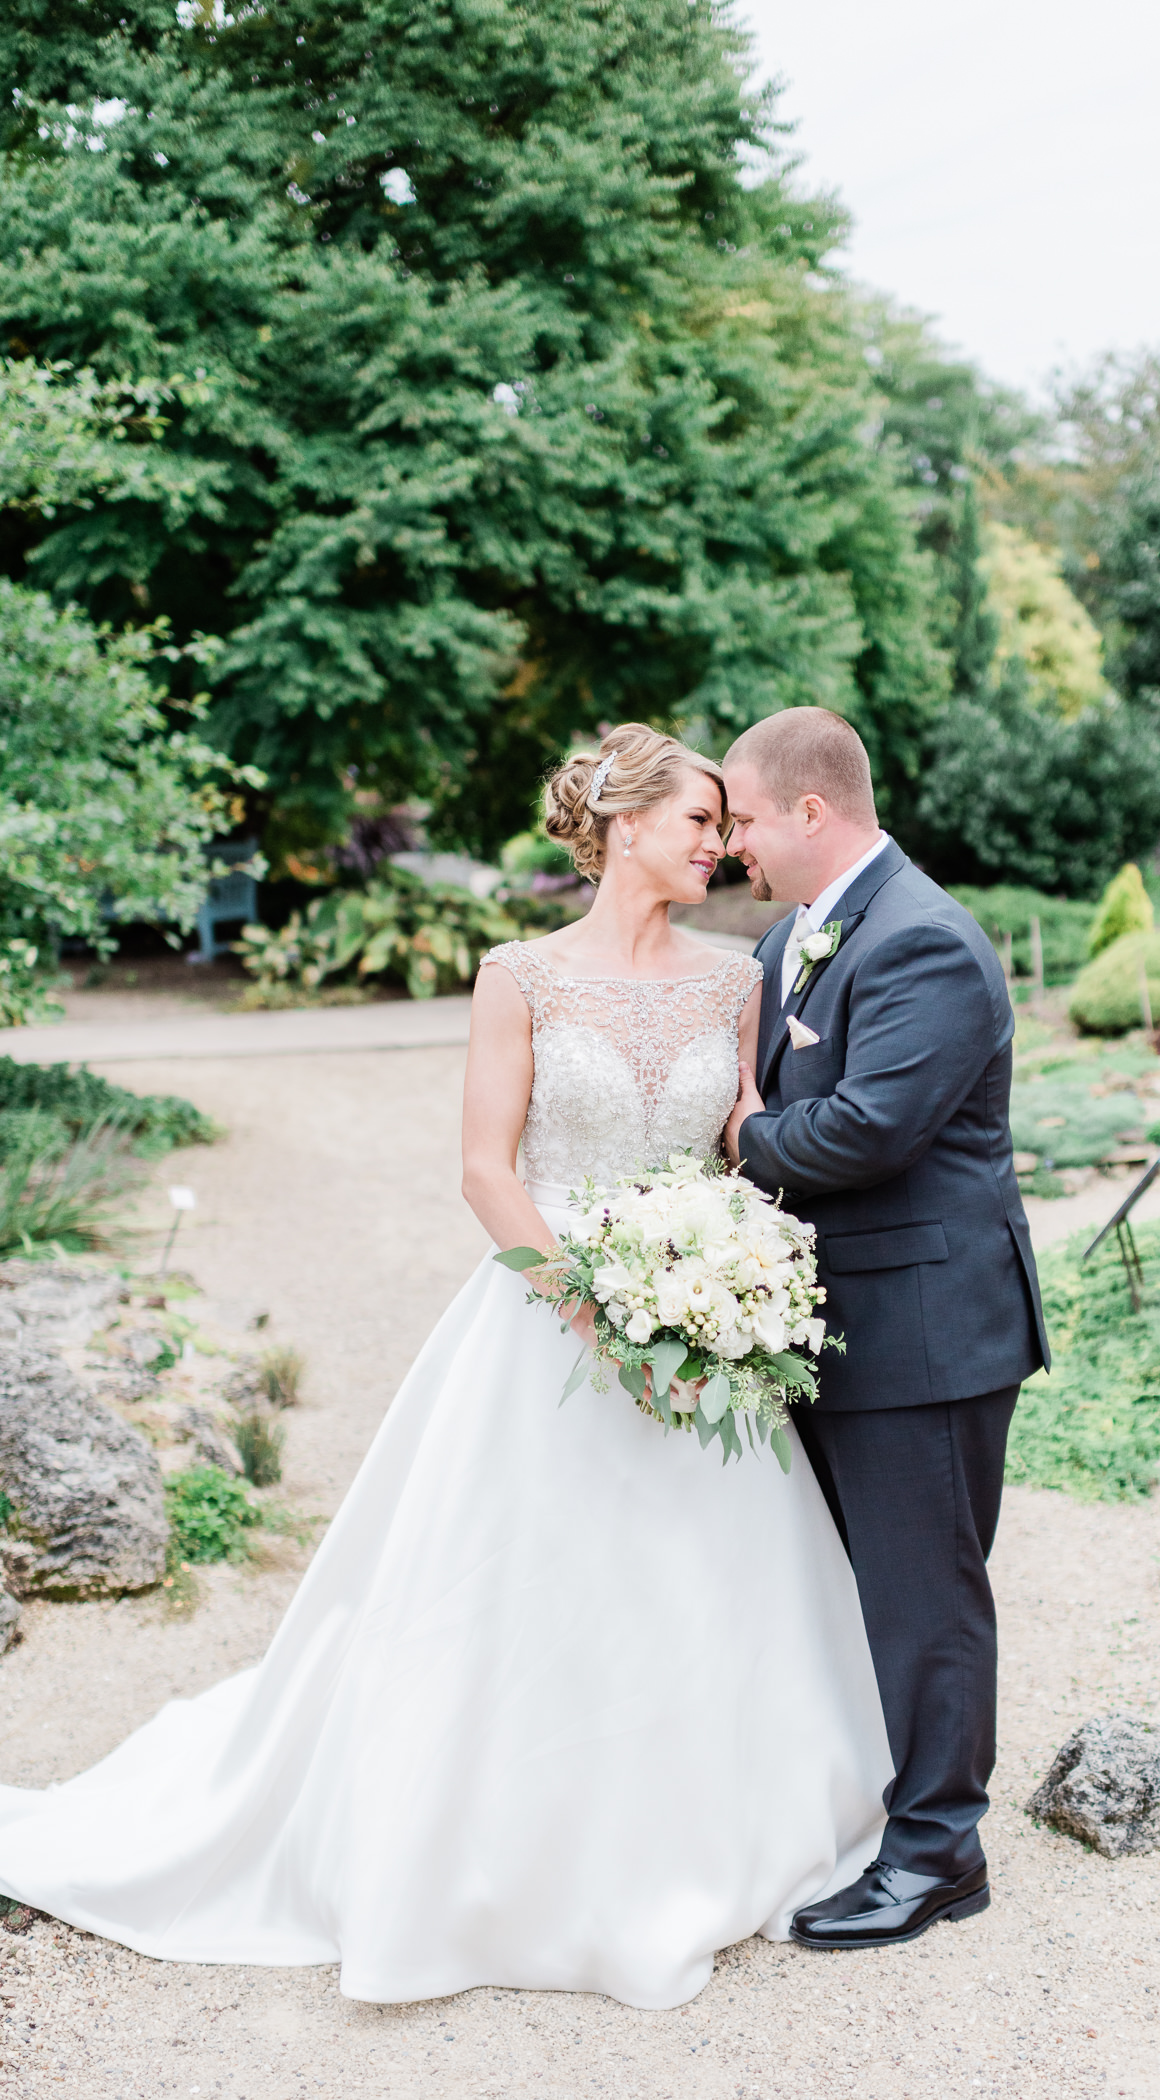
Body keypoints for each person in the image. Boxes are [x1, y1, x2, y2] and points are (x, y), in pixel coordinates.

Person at [0, 723, 891, 2011]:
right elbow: (485, 1168)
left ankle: (700, 1832)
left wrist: (725, 1286)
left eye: (723, 824)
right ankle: (486, 1861)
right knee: (504, 1600)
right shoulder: (516, 975)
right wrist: (591, 1309)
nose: (720, 843)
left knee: (707, 1592)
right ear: (624, 826)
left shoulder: (736, 976)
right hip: (543, 1322)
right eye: (699, 822)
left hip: (695, 1324)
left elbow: (737, 1145)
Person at [722, 706, 1049, 1950]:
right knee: (855, 1589)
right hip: (839, 1318)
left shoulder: (927, 942)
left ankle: (936, 1855)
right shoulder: (787, 936)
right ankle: (885, 1808)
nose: (735, 843)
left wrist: (736, 1139)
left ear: (812, 811)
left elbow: (862, 1129)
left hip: (926, 1324)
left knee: (926, 1597)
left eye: (745, 818)